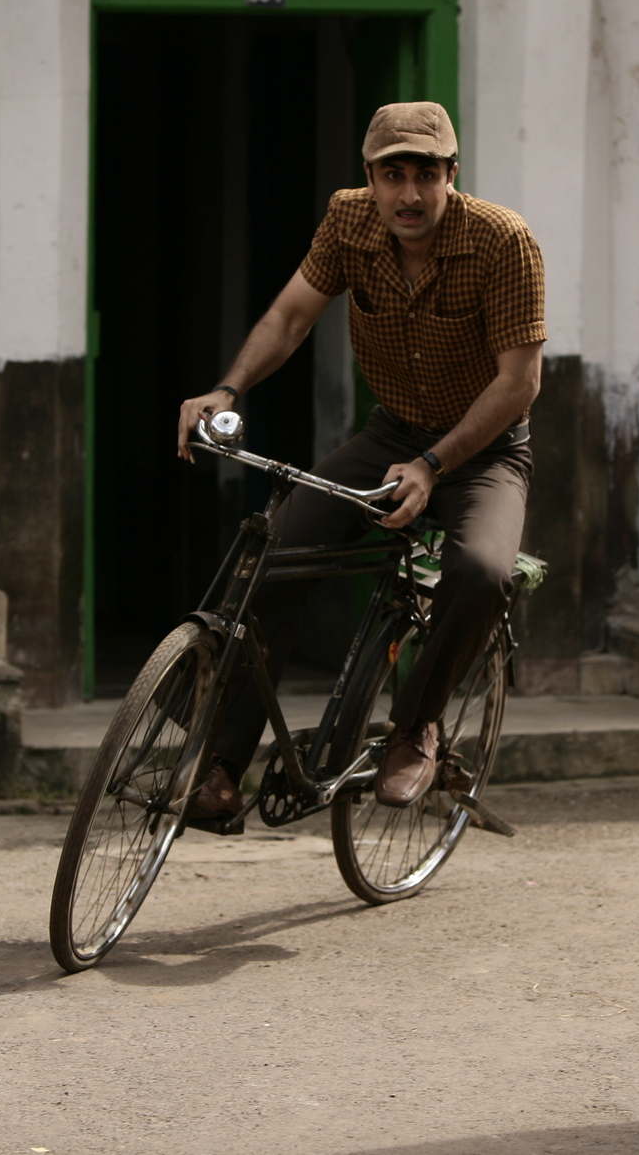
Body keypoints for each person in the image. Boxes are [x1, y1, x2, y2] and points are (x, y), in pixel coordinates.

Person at [174, 101, 543, 820]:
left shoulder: (503, 241)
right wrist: (228, 388)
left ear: (452, 174)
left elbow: (519, 384)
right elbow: (290, 316)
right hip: (390, 436)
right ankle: (220, 765)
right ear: (369, 177)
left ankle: (416, 727)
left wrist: (434, 464)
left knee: (482, 572)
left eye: (426, 174)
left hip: (487, 451)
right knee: (278, 551)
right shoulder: (348, 221)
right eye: (392, 174)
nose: (410, 193)